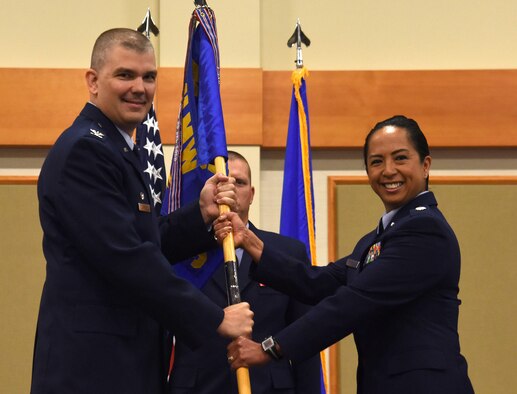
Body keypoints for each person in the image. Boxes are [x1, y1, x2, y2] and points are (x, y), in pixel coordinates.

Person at [31, 28, 253, 394]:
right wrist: (214, 318)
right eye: (125, 75)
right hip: (92, 368)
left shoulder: (118, 149)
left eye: (149, 77)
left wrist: (201, 213)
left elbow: (147, 241)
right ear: (93, 81)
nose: (139, 87)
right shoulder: (85, 152)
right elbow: (126, 259)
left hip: (122, 363)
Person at [216, 116, 475, 394]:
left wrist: (270, 348)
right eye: (376, 162)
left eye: (400, 158)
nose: (388, 171)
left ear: (425, 166)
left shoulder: (425, 230)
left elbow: (351, 303)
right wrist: (251, 242)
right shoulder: (376, 239)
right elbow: (317, 282)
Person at [168, 151, 321, 393]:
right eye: (222, 182)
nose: (230, 190)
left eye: (239, 182)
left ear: (251, 195)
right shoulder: (180, 252)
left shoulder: (287, 253)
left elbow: (306, 338)